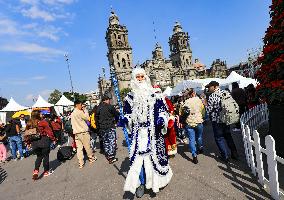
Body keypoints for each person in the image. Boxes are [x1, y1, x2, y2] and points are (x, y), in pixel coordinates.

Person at [121, 68, 172, 198]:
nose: (139, 79)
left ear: (145, 77)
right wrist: (125, 119)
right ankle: (140, 184)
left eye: (141, 76)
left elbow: (163, 110)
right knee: (138, 161)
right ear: (133, 78)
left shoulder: (155, 94)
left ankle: (155, 183)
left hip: (154, 134)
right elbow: (127, 113)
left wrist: (162, 118)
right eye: (137, 77)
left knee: (154, 159)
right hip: (138, 134)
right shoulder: (129, 98)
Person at [206, 81, 239, 163]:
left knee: (219, 138)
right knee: (228, 136)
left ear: (215, 86)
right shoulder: (226, 92)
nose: (208, 89)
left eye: (209, 87)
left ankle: (225, 156)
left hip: (216, 120)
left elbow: (208, 110)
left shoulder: (212, 96)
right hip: (226, 118)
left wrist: (205, 104)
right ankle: (234, 154)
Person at [26, 111, 56, 180]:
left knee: (39, 157)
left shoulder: (29, 123)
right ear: (38, 115)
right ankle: (46, 172)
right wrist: (53, 139)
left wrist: (28, 143)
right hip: (44, 141)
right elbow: (49, 132)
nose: (42, 114)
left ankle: (35, 171)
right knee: (46, 156)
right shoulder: (43, 122)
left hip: (34, 143)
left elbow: (27, 134)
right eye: (41, 113)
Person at [181, 88, 205, 164]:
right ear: (193, 93)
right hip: (198, 121)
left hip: (189, 123)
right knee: (199, 136)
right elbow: (203, 111)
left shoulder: (185, 103)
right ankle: (200, 147)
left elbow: (182, 113)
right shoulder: (199, 100)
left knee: (191, 139)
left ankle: (194, 155)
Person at [71, 100, 97, 169]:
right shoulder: (79, 112)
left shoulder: (72, 113)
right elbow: (87, 118)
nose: (81, 106)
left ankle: (81, 163)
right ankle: (91, 158)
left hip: (76, 133)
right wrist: (85, 110)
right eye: (80, 104)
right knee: (87, 146)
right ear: (76, 105)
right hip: (83, 132)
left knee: (79, 149)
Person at [96, 93, 120, 164]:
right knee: (111, 142)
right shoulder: (110, 107)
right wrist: (116, 121)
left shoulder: (98, 108)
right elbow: (117, 115)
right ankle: (111, 157)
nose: (109, 101)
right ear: (106, 100)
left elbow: (96, 119)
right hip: (110, 127)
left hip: (102, 128)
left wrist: (98, 128)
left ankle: (107, 154)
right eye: (109, 100)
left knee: (105, 142)